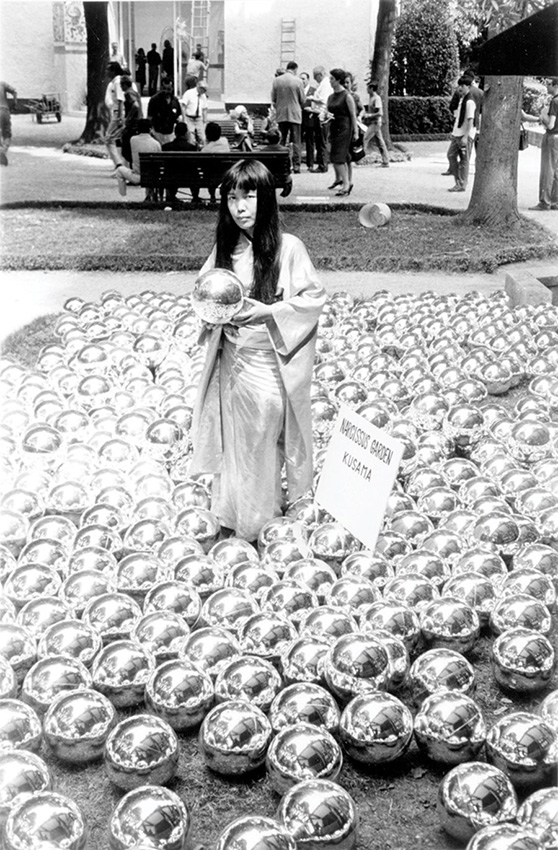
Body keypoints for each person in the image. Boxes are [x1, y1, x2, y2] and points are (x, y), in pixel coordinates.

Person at [189, 159, 326, 543]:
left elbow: (312, 299)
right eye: (232, 198)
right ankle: (233, 512)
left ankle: (258, 522)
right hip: (232, 361)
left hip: (268, 363)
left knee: (260, 441)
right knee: (234, 443)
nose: (240, 208)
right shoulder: (225, 248)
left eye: (248, 196)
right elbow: (206, 294)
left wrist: (271, 312)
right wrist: (214, 317)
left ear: (265, 197)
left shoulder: (289, 248)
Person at [327, 68, 359, 195]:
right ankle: (347, 183)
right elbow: (329, 112)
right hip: (333, 127)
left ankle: (346, 184)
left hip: (345, 128)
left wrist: (355, 132)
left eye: (332, 79)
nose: (330, 81)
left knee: (338, 158)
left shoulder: (347, 96)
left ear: (338, 80)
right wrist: (325, 116)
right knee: (339, 157)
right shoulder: (330, 97)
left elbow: (353, 115)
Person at [271, 60, 304, 173]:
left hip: (281, 113)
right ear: (295, 69)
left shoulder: (277, 81)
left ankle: (281, 164)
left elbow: (273, 98)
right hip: (295, 114)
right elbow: (302, 99)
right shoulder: (298, 81)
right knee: (296, 141)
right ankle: (296, 166)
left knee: (282, 140)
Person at [115, 118, 161, 200]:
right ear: (150, 129)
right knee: (151, 168)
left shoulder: (133, 140)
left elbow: (126, 153)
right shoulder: (156, 144)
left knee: (119, 170)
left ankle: (123, 197)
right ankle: (149, 196)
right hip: (152, 177)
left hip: (138, 176)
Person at [530, 77, 558, 211]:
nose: (547, 87)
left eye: (549, 84)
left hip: (552, 137)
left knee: (547, 169)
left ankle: (544, 201)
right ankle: (555, 201)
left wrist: (542, 118)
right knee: (556, 170)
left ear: (555, 85)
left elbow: (551, 124)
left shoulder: (555, 101)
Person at [446, 75, 477, 192]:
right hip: (457, 133)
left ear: (468, 86)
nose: (460, 88)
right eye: (459, 85)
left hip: (465, 135)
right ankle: (458, 180)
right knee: (451, 155)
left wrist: (466, 136)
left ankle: (462, 183)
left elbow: (470, 120)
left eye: (462, 86)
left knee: (464, 159)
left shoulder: (469, 101)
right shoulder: (462, 99)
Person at [162, 122, 197, 206]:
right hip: (189, 178)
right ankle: (195, 196)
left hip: (170, 177)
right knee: (194, 172)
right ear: (186, 133)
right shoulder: (192, 148)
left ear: (175, 133)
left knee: (171, 171)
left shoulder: (166, 147)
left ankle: (172, 195)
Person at [307, 66, 333, 173]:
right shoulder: (323, 84)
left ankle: (323, 165)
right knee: (320, 141)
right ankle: (322, 164)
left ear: (320, 74)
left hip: (322, 116)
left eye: (315, 77)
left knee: (321, 141)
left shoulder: (325, 84)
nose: (315, 79)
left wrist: (312, 98)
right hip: (319, 115)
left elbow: (324, 100)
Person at [148, 77, 182, 146]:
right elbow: (150, 117)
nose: (166, 91)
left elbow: (178, 116)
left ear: (172, 88)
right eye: (164, 88)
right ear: (160, 88)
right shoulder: (154, 100)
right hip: (157, 133)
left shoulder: (175, 101)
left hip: (170, 134)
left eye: (168, 89)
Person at [202, 122, 231, 202]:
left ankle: (212, 195)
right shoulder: (225, 142)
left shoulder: (205, 150)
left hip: (209, 176)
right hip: (224, 174)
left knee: (210, 175)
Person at [363, 81, 390, 167]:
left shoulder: (376, 98)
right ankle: (386, 161)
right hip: (373, 122)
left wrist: (369, 115)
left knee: (365, 138)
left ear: (371, 89)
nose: (366, 90)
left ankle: (359, 159)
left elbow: (380, 113)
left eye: (368, 88)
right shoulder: (371, 98)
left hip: (375, 123)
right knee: (380, 142)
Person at [104, 62, 125, 168]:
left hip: (118, 113)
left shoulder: (117, 82)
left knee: (108, 138)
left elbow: (120, 100)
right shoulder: (116, 82)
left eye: (108, 70)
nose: (106, 72)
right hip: (117, 112)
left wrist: (120, 117)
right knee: (116, 138)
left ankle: (118, 163)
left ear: (113, 71)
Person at [120, 75, 143, 166]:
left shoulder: (128, 93)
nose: (121, 87)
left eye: (122, 85)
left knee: (127, 147)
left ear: (125, 84)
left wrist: (128, 118)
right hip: (137, 122)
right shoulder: (134, 92)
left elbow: (135, 105)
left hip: (132, 124)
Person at [181, 78, 207, 147]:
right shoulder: (189, 93)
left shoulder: (203, 96)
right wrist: (184, 118)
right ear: (199, 88)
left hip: (198, 118)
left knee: (203, 137)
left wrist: (205, 120)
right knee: (191, 138)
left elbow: (204, 108)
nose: (204, 92)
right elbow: (183, 106)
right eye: (204, 90)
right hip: (189, 117)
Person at [300, 71, 317, 171]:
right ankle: (296, 163)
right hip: (300, 118)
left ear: (308, 80)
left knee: (310, 142)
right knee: (298, 140)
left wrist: (312, 110)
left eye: (303, 79)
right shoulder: (298, 90)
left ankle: (310, 164)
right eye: (300, 79)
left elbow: (315, 103)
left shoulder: (313, 90)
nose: (302, 81)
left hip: (310, 118)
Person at [0, 81, 17, 166]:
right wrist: (14, 103)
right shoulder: (2, 84)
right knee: (7, 134)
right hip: (4, 110)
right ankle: (3, 150)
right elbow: (14, 91)